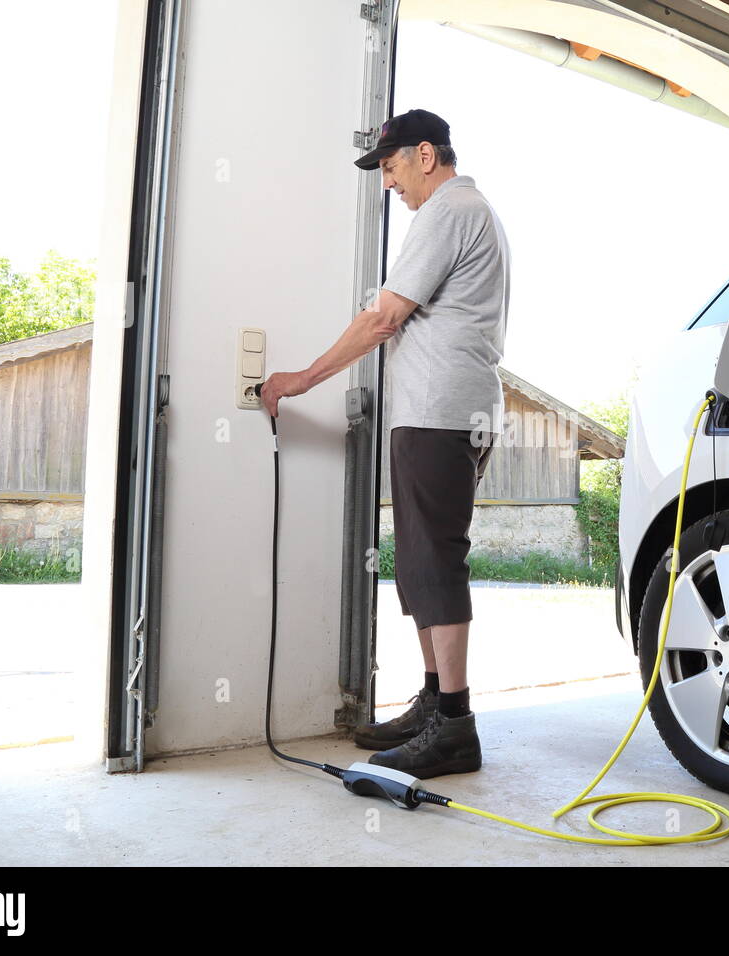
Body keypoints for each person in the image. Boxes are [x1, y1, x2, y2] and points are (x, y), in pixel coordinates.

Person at [259, 108, 509, 778]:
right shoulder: (462, 211)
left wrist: (302, 379)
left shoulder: (450, 210)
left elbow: (382, 319)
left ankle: (454, 725)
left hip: (440, 412)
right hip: (444, 409)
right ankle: (434, 702)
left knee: (435, 561)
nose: (389, 183)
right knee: (422, 561)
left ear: (425, 155)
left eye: (392, 166)